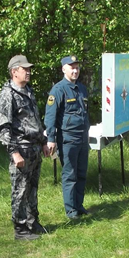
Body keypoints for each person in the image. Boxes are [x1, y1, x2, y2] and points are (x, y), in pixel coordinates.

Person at [0, 54, 50, 240]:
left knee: (32, 188)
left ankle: (32, 221)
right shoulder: (7, 95)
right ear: (14, 72)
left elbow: (35, 120)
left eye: (28, 69)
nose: (28, 72)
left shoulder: (28, 91)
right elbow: (4, 128)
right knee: (20, 190)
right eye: (24, 69)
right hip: (21, 149)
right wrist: (14, 153)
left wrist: (43, 142)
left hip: (34, 148)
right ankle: (20, 229)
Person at [44, 55, 90, 220]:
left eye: (77, 67)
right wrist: (51, 138)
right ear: (64, 69)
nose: (75, 70)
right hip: (68, 138)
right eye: (72, 67)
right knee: (70, 174)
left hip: (83, 138)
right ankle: (71, 210)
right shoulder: (58, 90)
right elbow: (50, 116)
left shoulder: (82, 89)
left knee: (81, 172)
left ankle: (79, 205)